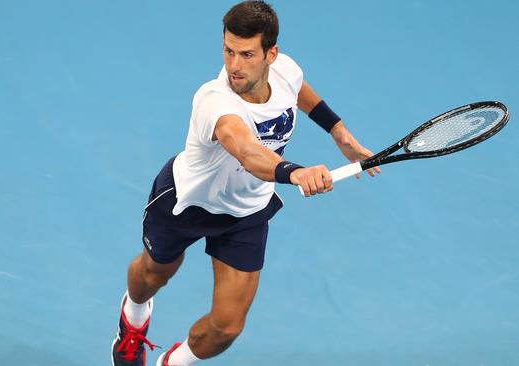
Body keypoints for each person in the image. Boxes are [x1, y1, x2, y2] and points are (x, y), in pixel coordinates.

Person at [111, 1, 380, 365]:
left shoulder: (285, 70)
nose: (234, 65)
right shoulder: (215, 101)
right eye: (228, 51)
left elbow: (299, 90)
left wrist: (338, 132)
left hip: (245, 212)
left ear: (272, 54)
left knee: (227, 328)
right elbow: (248, 152)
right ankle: (134, 319)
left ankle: (170, 363)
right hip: (187, 203)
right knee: (153, 274)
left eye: (247, 54)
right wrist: (295, 172)